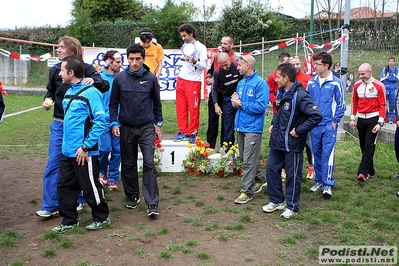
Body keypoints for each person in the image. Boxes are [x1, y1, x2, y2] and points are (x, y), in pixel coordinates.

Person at [36, 36, 109, 218]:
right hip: (60, 125)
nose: (58, 50)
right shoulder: (55, 71)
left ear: (72, 51)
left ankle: (79, 201)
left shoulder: (87, 70)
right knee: (55, 165)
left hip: (80, 128)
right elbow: (51, 91)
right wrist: (48, 100)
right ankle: (51, 205)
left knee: (80, 165)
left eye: (61, 47)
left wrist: (94, 81)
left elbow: (104, 85)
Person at [52, 55, 110, 233]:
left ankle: (101, 217)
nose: (59, 74)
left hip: (84, 152)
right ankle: (69, 220)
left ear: (71, 72)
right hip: (67, 152)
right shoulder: (68, 91)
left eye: (62, 70)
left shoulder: (91, 93)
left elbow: (101, 121)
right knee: (65, 186)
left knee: (90, 185)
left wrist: (85, 147)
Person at [109, 44, 163, 216]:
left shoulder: (151, 78)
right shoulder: (120, 78)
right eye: (131, 59)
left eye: (138, 59)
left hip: (146, 127)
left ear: (143, 59)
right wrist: (114, 123)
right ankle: (132, 195)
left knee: (148, 163)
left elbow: (157, 102)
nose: (134, 62)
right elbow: (113, 103)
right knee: (128, 164)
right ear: (127, 59)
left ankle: (152, 202)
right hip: (125, 127)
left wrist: (159, 124)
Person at [262, 63, 322, 218]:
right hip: (278, 141)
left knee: (292, 176)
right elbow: (281, 112)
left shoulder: (301, 95)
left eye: (278, 77)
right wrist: (274, 124)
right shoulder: (282, 92)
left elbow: (316, 116)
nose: (275, 79)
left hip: (292, 144)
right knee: (271, 169)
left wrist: (299, 130)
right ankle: (277, 201)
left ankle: (292, 206)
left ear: (286, 78)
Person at [307, 51, 346, 197]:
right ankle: (318, 180)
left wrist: (335, 122)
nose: (315, 66)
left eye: (317, 64)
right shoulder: (312, 82)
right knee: (316, 153)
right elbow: (307, 102)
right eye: (314, 63)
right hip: (314, 125)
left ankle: (328, 183)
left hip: (329, 125)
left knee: (327, 154)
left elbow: (341, 105)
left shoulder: (336, 82)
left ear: (326, 65)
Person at [231, 55, 269, 204]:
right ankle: (262, 179)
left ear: (248, 66)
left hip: (253, 128)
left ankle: (246, 191)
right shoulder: (240, 83)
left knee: (248, 161)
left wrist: (240, 104)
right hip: (241, 125)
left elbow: (260, 107)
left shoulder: (260, 84)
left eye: (240, 65)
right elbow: (239, 103)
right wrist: (235, 102)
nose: (238, 67)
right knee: (243, 158)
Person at [350, 63, 386, 181]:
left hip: (373, 119)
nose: (361, 76)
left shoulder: (379, 85)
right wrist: (352, 118)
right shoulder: (357, 85)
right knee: (363, 145)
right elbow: (354, 102)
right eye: (359, 74)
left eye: (363, 74)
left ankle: (362, 172)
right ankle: (370, 169)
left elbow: (383, 105)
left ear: (370, 72)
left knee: (369, 145)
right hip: (361, 119)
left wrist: (380, 122)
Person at [172, 23, 207, 143]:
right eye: (182, 36)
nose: (183, 38)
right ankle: (183, 131)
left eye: (185, 35)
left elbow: (203, 66)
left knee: (193, 108)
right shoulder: (185, 46)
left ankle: (192, 132)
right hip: (182, 80)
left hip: (193, 81)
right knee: (181, 107)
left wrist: (194, 61)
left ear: (191, 34)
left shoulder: (201, 47)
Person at [206, 36, 238, 151]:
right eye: (221, 43)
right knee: (212, 120)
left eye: (225, 43)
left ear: (231, 45)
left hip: (228, 94)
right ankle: (210, 146)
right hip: (216, 92)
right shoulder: (216, 56)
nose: (222, 45)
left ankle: (226, 146)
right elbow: (210, 71)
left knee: (227, 121)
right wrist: (208, 76)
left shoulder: (237, 59)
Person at [98, 50, 123, 190]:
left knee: (117, 150)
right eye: (117, 62)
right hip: (102, 121)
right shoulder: (99, 79)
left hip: (119, 120)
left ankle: (113, 177)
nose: (120, 65)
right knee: (104, 149)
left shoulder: (122, 78)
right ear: (109, 62)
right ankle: (103, 172)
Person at [288, 55, 315, 180]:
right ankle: (285, 168)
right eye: (293, 64)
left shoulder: (308, 79)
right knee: (287, 142)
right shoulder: (286, 78)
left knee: (308, 143)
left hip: (304, 117)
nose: (296, 66)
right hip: (290, 117)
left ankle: (311, 167)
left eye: (297, 64)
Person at [209, 52, 242, 152]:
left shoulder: (237, 67)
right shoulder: (217, 72)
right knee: (228, 124)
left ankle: (240, 147)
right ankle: (229, 148)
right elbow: (214, 89)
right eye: (222, 65)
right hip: (227, 99)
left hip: (239, 98)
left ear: (230, 60)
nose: (225, 67)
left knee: (241, 123)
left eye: (226, 64)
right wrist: (215, 104)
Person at [380, 57, 399, 124]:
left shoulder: (397, 70)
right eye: (390, 61)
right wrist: (391, 77)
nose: (391, 62)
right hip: (385, 88)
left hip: (393, 89)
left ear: (394, 62)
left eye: (392, 61)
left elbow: (396, 79)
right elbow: (382, 79)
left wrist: (388, 78)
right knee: (383, 103)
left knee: (392, 104)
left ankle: (391, 118)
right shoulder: (384, 70)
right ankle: (384, 117)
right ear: (388, 62)